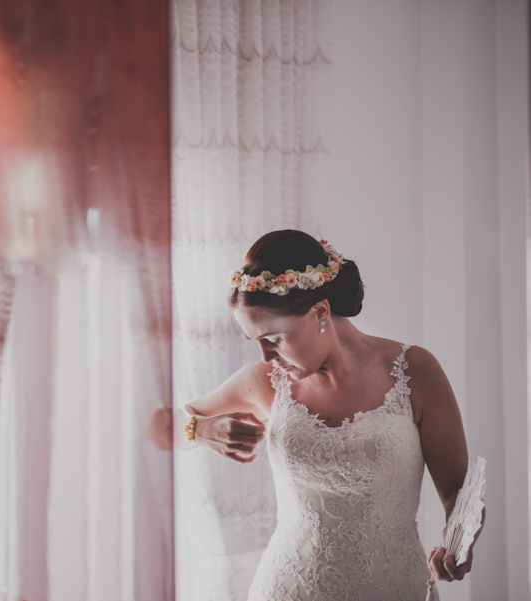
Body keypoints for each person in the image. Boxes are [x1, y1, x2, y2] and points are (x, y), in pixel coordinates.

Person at [169, 230, 482, 601]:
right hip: (285, 590)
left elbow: (458, 491)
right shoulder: (267, 380)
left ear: (320, 312)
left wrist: (457, 543)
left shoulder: (414, 371)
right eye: (255, 342)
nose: (266, 357)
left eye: (274, 339)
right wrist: (200, 429)